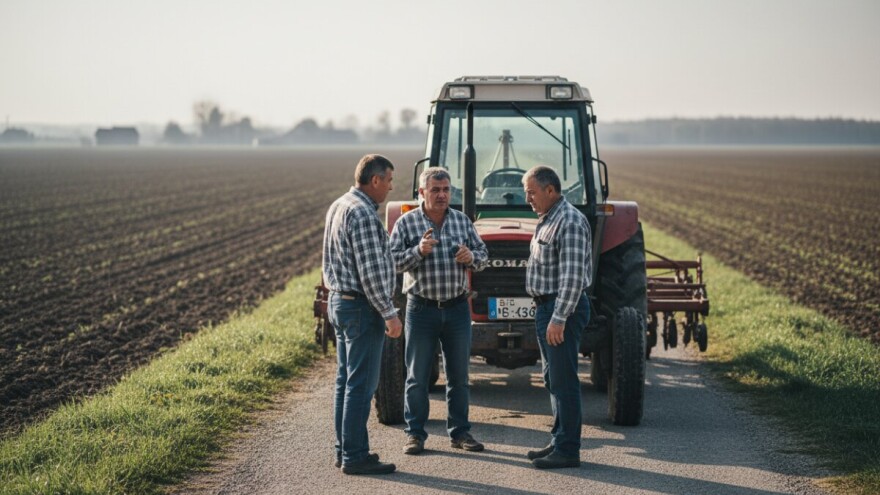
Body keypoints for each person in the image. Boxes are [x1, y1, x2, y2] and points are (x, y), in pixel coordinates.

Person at [389, 167, 488, 456]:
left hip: (457, 309)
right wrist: (418, 251)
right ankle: (415, 434)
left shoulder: (461, 222)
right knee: (417, 376)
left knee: (459, 376)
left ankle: (459, 432)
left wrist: (472, 258)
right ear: (422, 192)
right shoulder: (406, 223)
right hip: (422, 309)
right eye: (435, 190)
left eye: (446, 190)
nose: (442, 195)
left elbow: (482, 256)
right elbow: (392, 262)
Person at [322, 154, 403, 475]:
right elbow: (370, 273)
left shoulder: (340, 205)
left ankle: (346, 451)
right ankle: (355, 456)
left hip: (340, 302)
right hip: (361, 307)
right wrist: (390, 313)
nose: (391, 188)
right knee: (361, 385)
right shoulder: (365, 216)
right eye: (389, 180)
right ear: (375, 181)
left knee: (346, 382)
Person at [521, 165, 591, 469]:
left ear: (551, 190)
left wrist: (559, 317)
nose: (528, 199)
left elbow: (573, 277)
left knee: (563, 380)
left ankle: (568, 449)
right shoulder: (547, 219)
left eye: (532, 192)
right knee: (552, 377)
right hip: (545, 307)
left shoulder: (570, 221)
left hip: (561, 309)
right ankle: (558, 438)